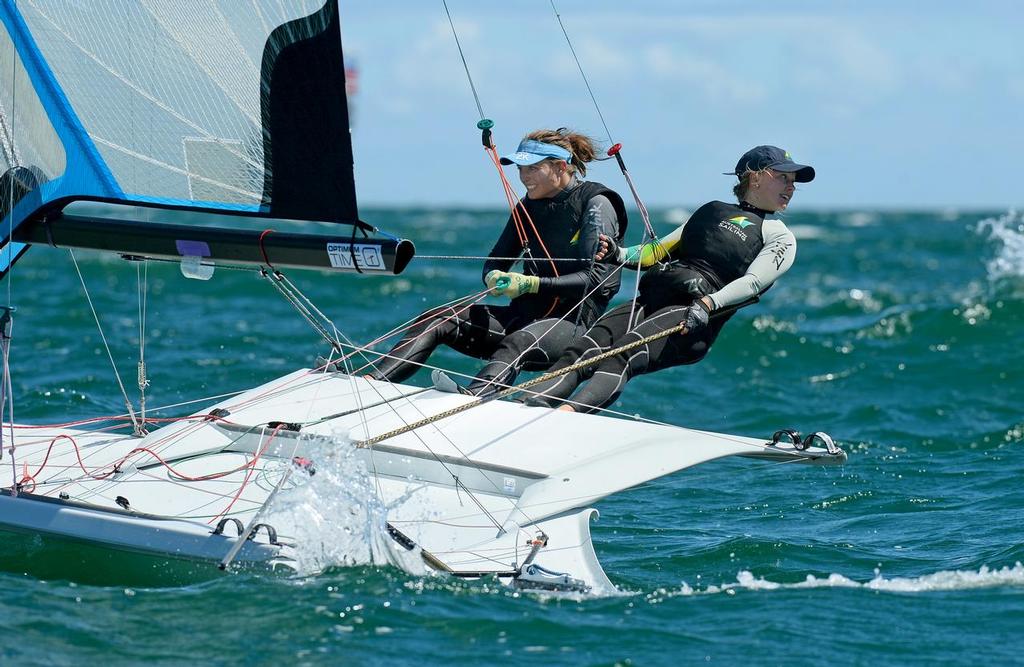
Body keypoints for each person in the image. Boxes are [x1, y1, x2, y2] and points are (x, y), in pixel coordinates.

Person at [523, 145, 812, 412]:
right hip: (654, 298)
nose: (791, 187)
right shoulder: (711, 211)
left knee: (622, 355)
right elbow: (655, 251)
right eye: (783, 177)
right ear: (756, 177)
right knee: (585, 347)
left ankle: (564, 415)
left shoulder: (779, 236)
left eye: (793, 182)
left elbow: (752, 283)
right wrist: (618, 253)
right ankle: (531, 404)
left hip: (693, 316)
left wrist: (707, 305)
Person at [366, 129, 628, 388]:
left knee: (518, 342)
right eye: (520, 169)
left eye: (532, 169)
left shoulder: (596, 203)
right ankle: (372, 383)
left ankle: (470, 402)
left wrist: (530, 284)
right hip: (523, 316)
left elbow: (596, 281)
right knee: (437, 318)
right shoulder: (527, 206)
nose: (524, 177)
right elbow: (496, 260)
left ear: (560, 167)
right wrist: (492, 276)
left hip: (573, 327)